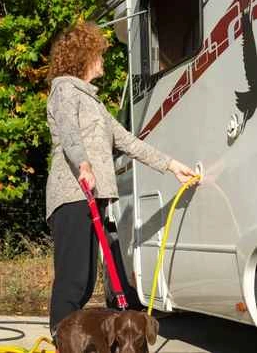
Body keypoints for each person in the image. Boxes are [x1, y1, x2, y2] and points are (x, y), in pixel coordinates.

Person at [45, 21, 196, 340]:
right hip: (72, 194)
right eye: (98, 54)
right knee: (73, 279)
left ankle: (74, 339)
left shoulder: (94, 103)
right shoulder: (64, 89)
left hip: (92, 196)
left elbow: (128, 141)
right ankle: (62, 338)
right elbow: (69, 131)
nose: (102, 60)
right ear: (84, 56)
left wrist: (171, 165)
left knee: (86, 281)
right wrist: (82, 163)